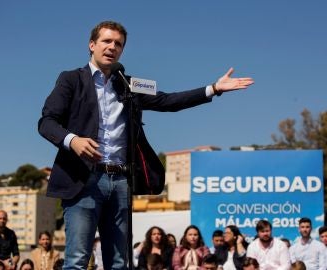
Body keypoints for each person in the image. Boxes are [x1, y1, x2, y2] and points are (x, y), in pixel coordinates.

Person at [38, 20, 254, 270]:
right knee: (77, 260)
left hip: (120, 182)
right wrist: (72, 140)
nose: (112, 47)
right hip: (83, 180)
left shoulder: (129, 84)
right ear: (92, 45)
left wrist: (214, 88)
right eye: (106, 41)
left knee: (119, 263)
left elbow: (167, 100)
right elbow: (46, 122)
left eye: (118, 44)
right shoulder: (71, 79)